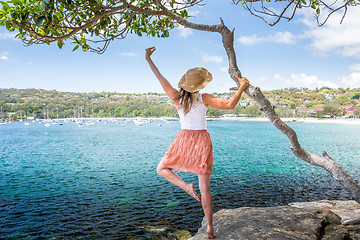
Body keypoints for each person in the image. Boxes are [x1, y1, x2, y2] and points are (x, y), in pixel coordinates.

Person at [145, 46, 249, 239]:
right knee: (205, 189)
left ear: (184, 84)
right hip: (201, 140)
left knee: (162, 169)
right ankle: (210, 227)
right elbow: (230, 105)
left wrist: (148, 59)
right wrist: (242, 86)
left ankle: (185, 187)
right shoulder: (204, 98)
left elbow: (160, 78)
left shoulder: (177, 98)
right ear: (200, 86)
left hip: (183, 139)